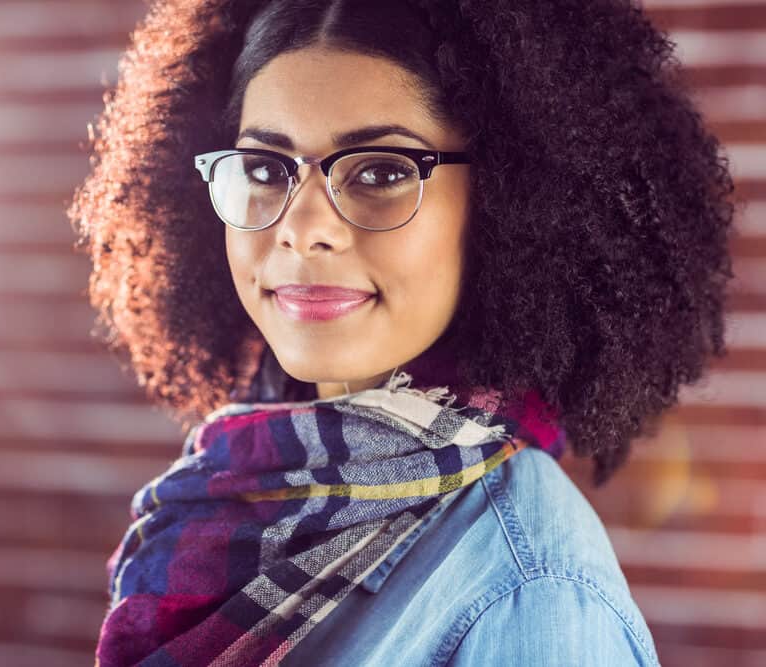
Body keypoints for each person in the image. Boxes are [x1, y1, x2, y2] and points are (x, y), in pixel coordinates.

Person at [66, 0, 735, 664]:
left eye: (381, 171)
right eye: (267, 169)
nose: (303, 227)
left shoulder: (532, 592)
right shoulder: (230, 493)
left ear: (513, 204)